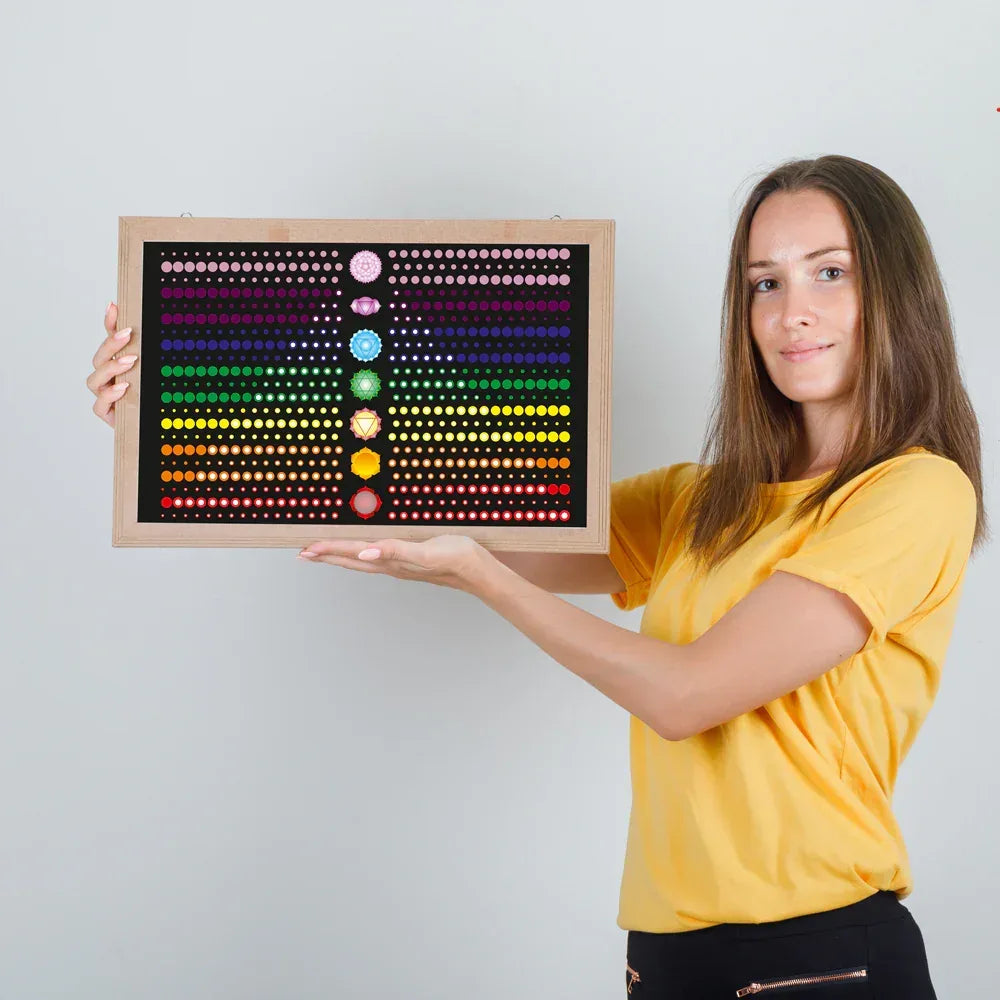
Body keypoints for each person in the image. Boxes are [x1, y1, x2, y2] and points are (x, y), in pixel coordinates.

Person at [87, 155, 986, 998]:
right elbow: (438, 506)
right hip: (666, 957)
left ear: (896, 292)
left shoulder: (915, 493)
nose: (793, 309)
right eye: (765, 281)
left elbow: (688, 694)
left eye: (832, 272)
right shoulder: (704, 502)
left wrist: (485, 578)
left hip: (819, 961)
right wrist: (171, 408)